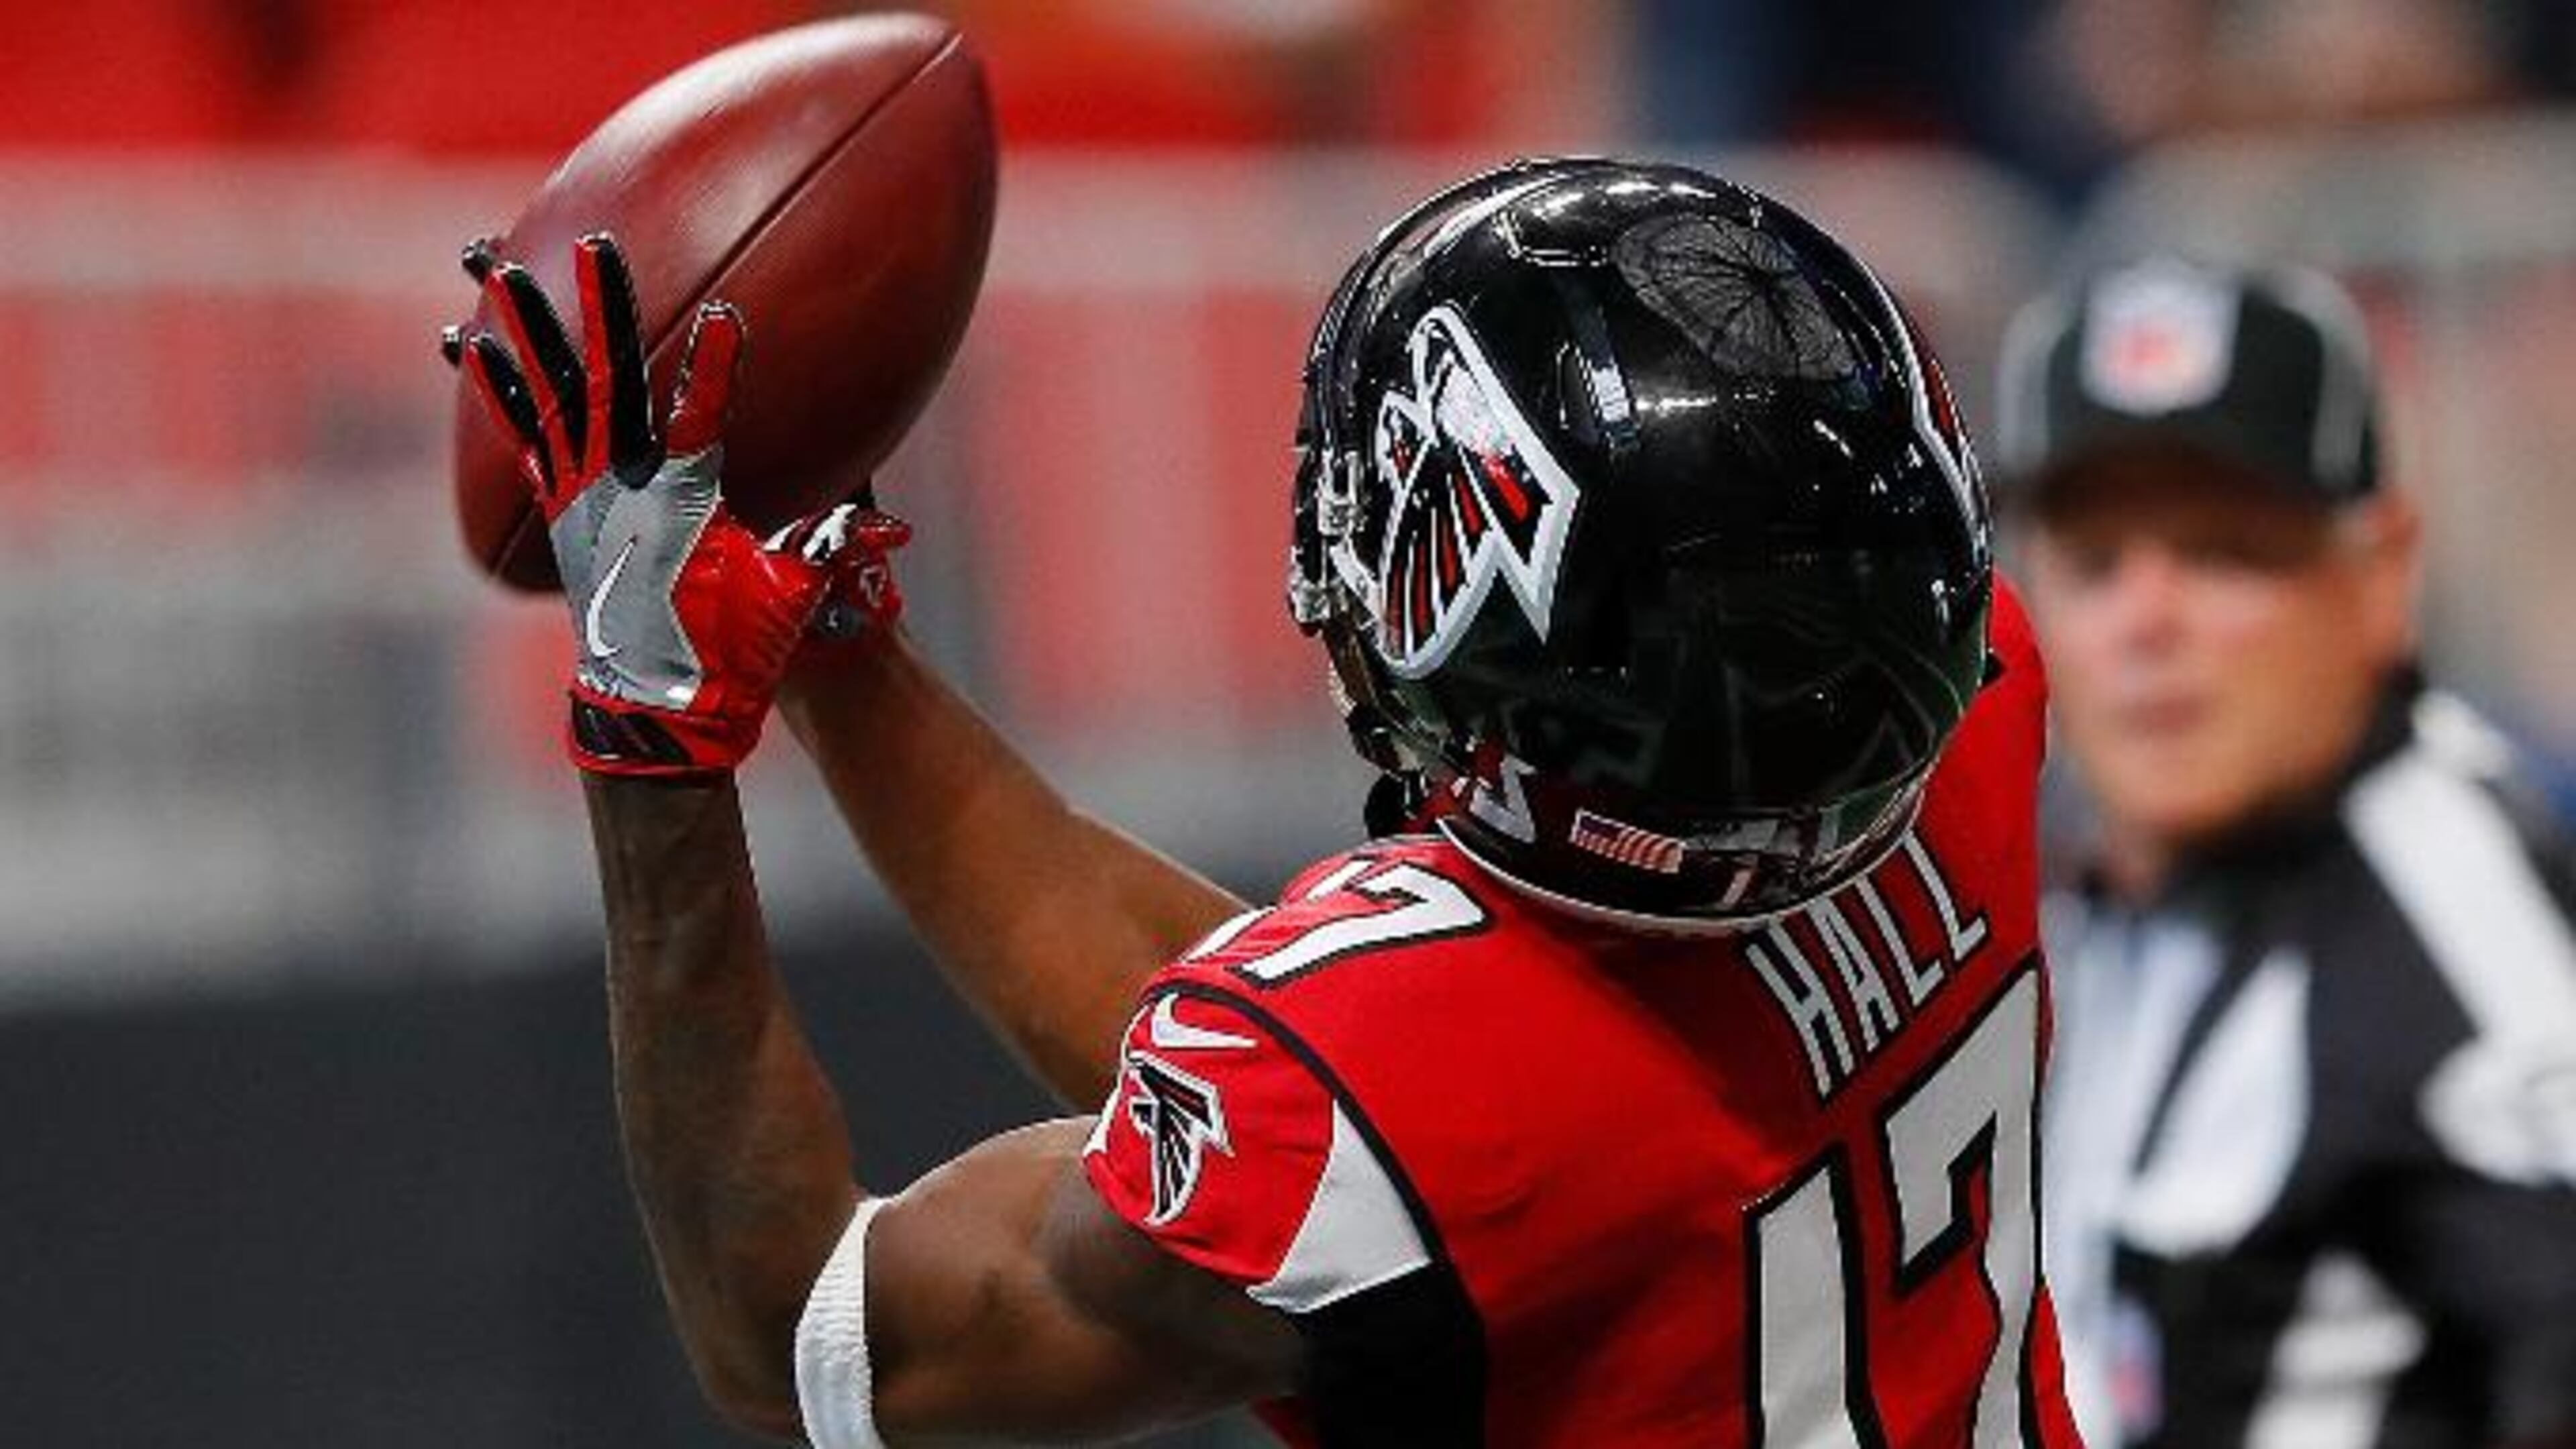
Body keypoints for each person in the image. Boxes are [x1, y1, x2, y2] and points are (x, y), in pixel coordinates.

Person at [446, 158, 2084, 1445]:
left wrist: (651, 748)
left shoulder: (1409, 1106)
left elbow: (797, 1325)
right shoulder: (1981, 699)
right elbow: (1367, 1046)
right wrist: (842, 656)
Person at [1997, 254, 2576, 1449]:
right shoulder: (2109, 891)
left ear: (2381, 576)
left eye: (2223, 551)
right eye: (2096, 564)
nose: (2147, 622)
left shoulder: (2451, 915)